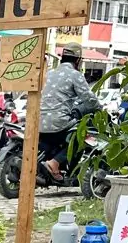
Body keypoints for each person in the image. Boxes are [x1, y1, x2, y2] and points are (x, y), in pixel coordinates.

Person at [39, 42, 99, 179]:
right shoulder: (75, 75)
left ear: (62, 57)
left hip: (40, 121)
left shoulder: (50, 73)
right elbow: (89, 99)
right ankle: (54, 163)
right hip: (58, 122)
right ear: (78, 60)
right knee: (82, 136)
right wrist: (100, 108)